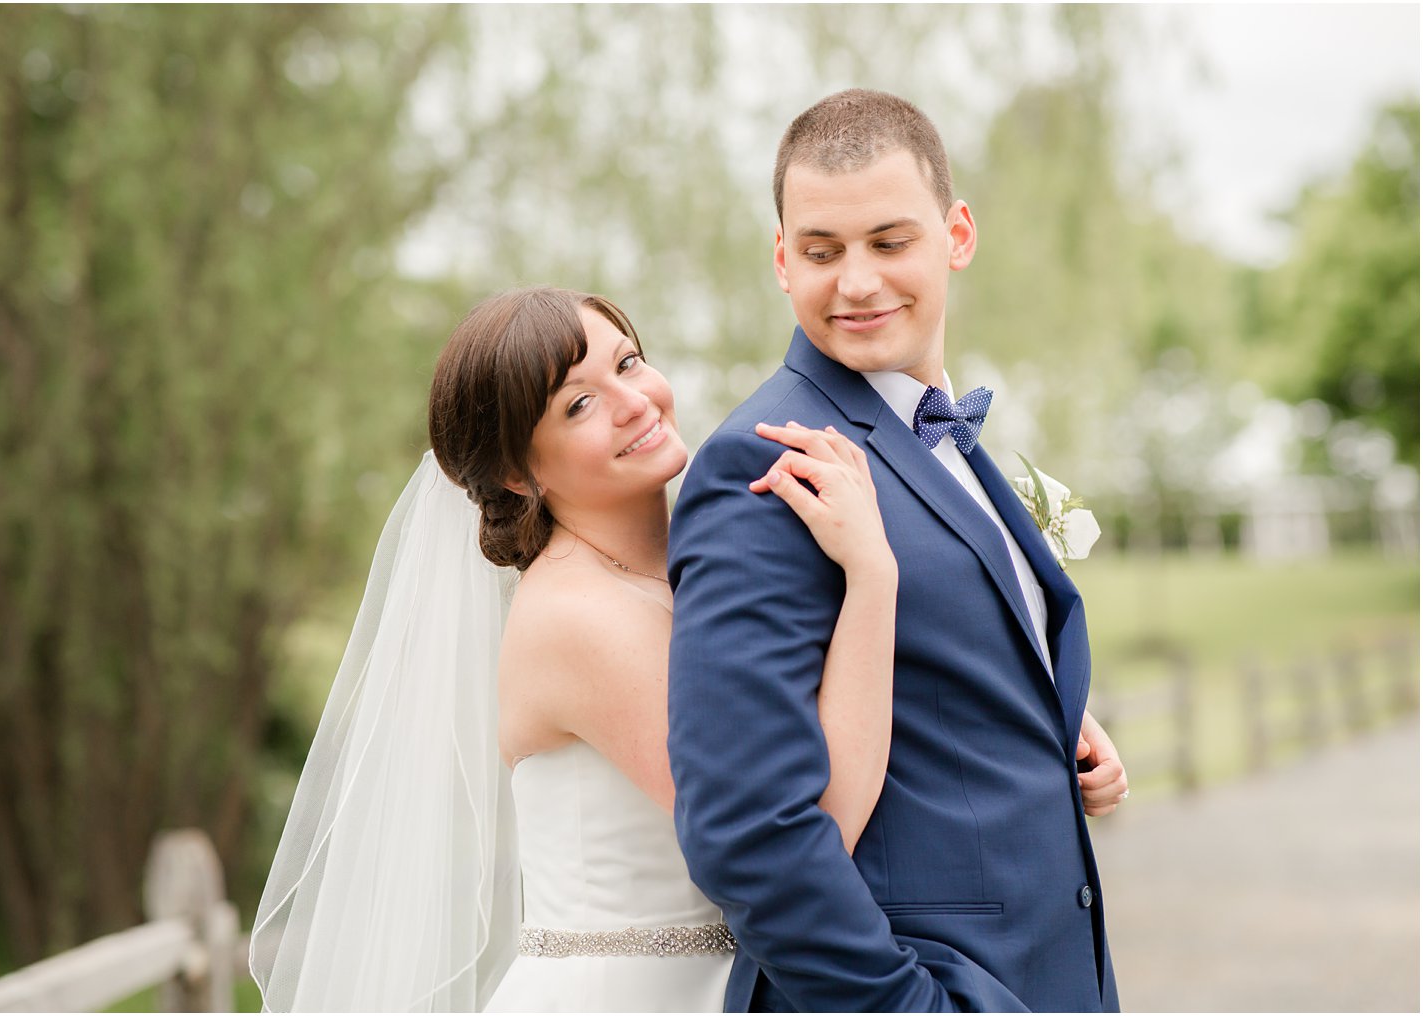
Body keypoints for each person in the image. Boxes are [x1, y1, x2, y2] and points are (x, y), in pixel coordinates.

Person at [250, 285, 904, 1012]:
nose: (633, 401)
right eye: (579, 405)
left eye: (627, 364)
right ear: (516, 474)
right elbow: (816, 827)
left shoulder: (693, 576)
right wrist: (873, 576)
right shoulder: (575, 618)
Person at [667, 88, 1126, 1012]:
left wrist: (1050, 728)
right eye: (822, 252)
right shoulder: (765, 467)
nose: (858, 282)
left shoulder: (937, 431)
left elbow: (941, 669)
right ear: (782, 260)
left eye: (889, 241)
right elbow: (748, 832)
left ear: (956, 234)